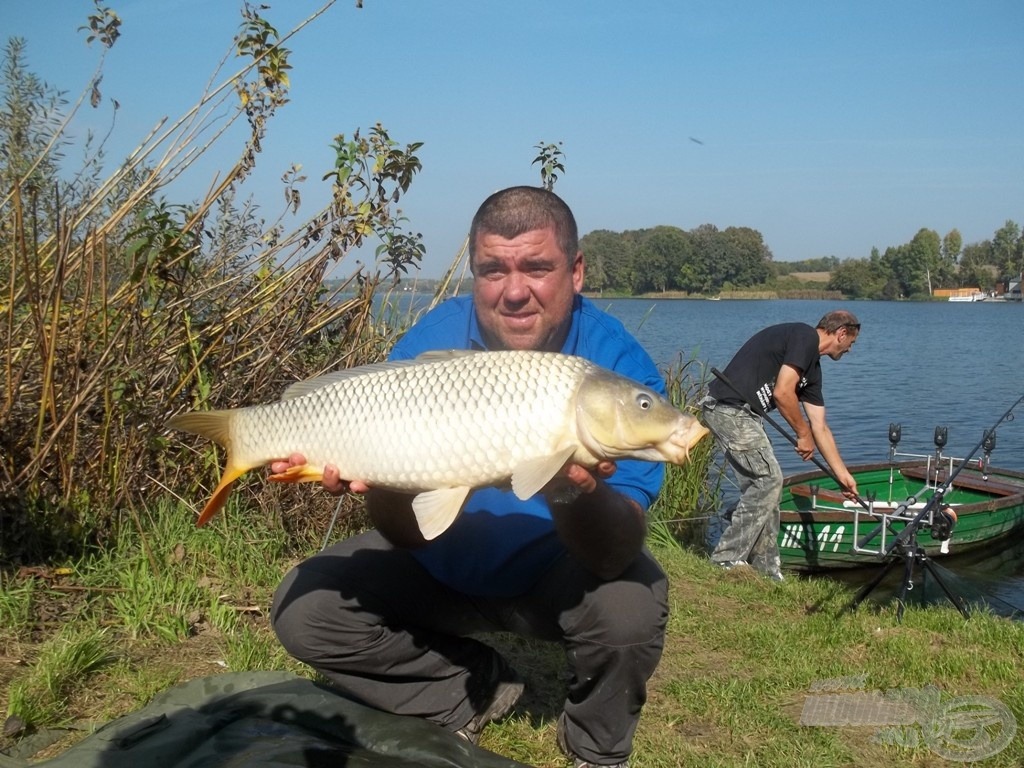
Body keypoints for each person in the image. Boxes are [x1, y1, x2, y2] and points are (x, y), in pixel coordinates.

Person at [270, 186, 670, 768]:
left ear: (576, 271)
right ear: (473, 272)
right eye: (492, 271)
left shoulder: (617, 375)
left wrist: (569, 486)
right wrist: (383, 483)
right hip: (438, 563)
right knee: (303, 608)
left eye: (537, 267)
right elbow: (406, 532)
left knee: (632, 606)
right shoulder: (431, 343)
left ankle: (594, 748)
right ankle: (467, 688)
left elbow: (614, 551)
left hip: (556, 575)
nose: (514, 292)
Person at [700, 310, 861, 581]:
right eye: (851, 343)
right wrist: (802, 433)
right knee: (768, 480)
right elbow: (783, 392)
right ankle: (726, 558)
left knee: (768, 488)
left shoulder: (813, 370)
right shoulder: (803, 336)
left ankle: (767, 569)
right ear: (841, 333)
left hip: (745, 415)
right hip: (728, 408)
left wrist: (842, 475)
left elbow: (820, 426)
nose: (850, 350)